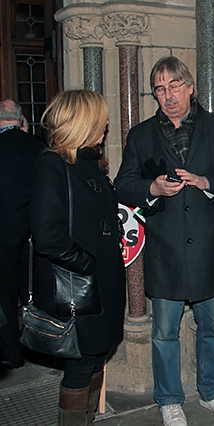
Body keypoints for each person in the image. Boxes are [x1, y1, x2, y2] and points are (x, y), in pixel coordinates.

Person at [114, 56, 214, 425]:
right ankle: (169, 398)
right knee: (163, 331)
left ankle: (211, 391)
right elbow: (122, 184)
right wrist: (151, 188)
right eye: (160, 88)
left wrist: (206, 182)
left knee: (213, 327)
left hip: (206, 246)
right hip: (165, 248)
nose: (168, 95)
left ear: (189, 86)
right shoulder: (141, 135)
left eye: (174, 86)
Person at [29, 90, 126, 425]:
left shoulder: (91, 164)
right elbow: (48, 236)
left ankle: (87, 419)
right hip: (78, 286)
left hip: (104, 285)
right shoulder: (52, 165)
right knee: (82, 363)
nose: (107, 125)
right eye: (101, 120)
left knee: (96, 358)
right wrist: (89, 265)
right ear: (83, 123)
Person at [0, 99, 46, 370]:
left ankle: (11, 352)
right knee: (32, 288)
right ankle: (41, 346)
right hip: (35, 227)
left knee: (3, 292)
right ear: (21, 120)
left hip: (3, 228)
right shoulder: (37, 145)